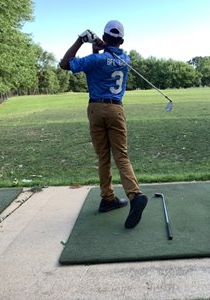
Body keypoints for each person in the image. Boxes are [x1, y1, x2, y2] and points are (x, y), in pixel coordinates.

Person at [60, 20, 147, 229]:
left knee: (103, 157)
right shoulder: (125, 59)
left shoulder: (94, 60)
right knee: (121, 156)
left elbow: (65, 64)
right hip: (116, 109)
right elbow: (105, 61)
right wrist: (99, 47)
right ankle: (134, 195)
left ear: (105, 37)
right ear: (122, 41)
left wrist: (81, 40)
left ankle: (107, 197)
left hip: (96, 110)